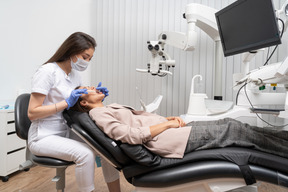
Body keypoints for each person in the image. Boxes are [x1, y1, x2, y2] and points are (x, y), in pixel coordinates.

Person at [71, 86, 288, 159]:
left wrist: (167, 119)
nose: (96, 88)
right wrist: (167, 125)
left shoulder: (107, 108)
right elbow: (131, 135)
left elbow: (138, 121)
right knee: (235, 131)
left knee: (231, 122)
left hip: (171, 131)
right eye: (90, 88)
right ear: (83, 101)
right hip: (168, 140)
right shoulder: (98, 115)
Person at [27, 32, 120, 192]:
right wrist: (65, 103)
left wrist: (96, 97)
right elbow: (32, 112)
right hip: (43, 136)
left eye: (90, 58)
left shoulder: (75, 75)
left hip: (66, 130)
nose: (87, 62)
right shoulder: (47, 72)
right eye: (85, 57)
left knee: (105, 147)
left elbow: (79, 103)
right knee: (85, 154)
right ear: (71, 50)